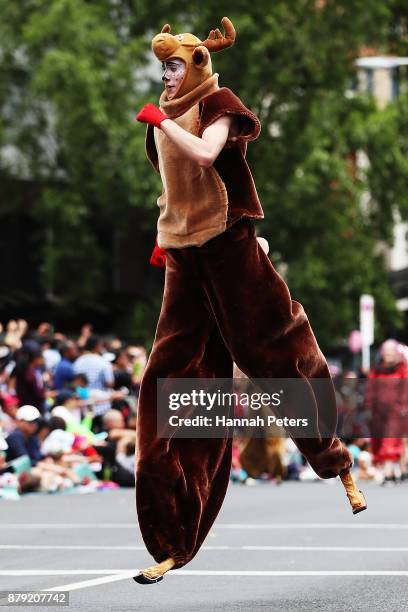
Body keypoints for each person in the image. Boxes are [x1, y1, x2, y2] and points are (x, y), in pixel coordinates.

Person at [133, 16, 363, 584]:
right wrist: (168, 242)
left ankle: (335, 463)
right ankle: (171, 537)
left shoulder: (220, 103)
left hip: (229, 248)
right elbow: (173, 187)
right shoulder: (163, 120)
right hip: (187, 257)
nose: (165, 77)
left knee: (275, 354)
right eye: (162, 68)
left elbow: (208, 157)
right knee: (172, 384)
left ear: (198, 66)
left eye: (173, 67)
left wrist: (163, 121)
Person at [364, 338, 408, 484]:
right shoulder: (376, 371)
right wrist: (368, 409)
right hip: (379, 413)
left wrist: (403, 407)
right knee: (379, 442)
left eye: (391, 353)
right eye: (386, 353)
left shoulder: (403, 369)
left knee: (392, 440)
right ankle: (393, 471)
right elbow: (370, 391)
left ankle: (389, 473)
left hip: (397, 412)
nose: (388, 356)